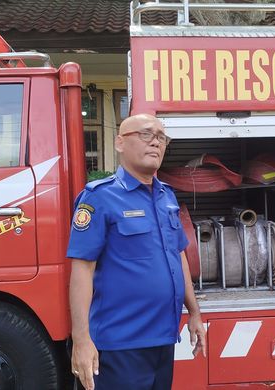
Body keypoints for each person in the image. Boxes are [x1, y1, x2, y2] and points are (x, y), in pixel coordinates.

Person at [67, 113, 206, 390]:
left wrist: (195, 313)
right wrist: (81, 340)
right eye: (145, 134)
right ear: (120, 143)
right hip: (119, 345)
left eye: (162, 137)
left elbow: (178, 256)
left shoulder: (166, 196)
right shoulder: (99, 197)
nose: (156, 142)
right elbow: (82, 269)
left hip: (163, 340)